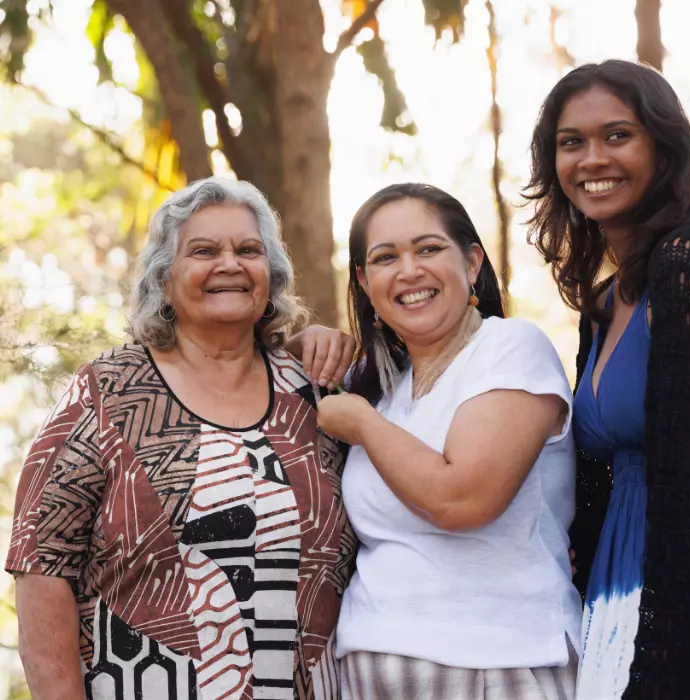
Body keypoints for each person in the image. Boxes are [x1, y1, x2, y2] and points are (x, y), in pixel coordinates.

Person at [6, 176, 356, 700]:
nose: (230, 264)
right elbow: (42, 561)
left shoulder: (315, 393)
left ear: (271, 276)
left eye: (248, 250)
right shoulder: (108, 392)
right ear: (164, 280)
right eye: (203, 250)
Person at [317, 183, 582, 700]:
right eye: (385, 257)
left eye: (429, 248)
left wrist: (364, 426)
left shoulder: (510, 349)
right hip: (368, 669)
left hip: (500, 666)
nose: (409, 270)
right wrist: (308, 343)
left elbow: (463, 500)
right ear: (365, 282)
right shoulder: (379, 388)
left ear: (472, 261)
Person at [525, 59, 690, 699]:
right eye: (572, 142)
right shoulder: (602, 305)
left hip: (676, 600)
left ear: (663, 145)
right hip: (611, 594)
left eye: (618, 135)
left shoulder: (689, 264)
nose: (592, 158)